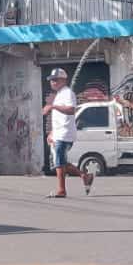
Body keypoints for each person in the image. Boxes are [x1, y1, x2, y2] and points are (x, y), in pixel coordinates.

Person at [42, 68, 93, 198]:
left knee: (59, 161)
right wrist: (52, 133)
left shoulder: (68, 93)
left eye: (55, 80)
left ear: (63, 80)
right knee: (61, 162)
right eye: (51, 80)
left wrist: (53, 107)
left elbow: (71, 110)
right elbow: (60, 118)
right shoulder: (59, 94)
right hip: (59, 133)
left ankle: (61, 190)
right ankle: (85, 176)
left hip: (65, 134)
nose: (52, 82)